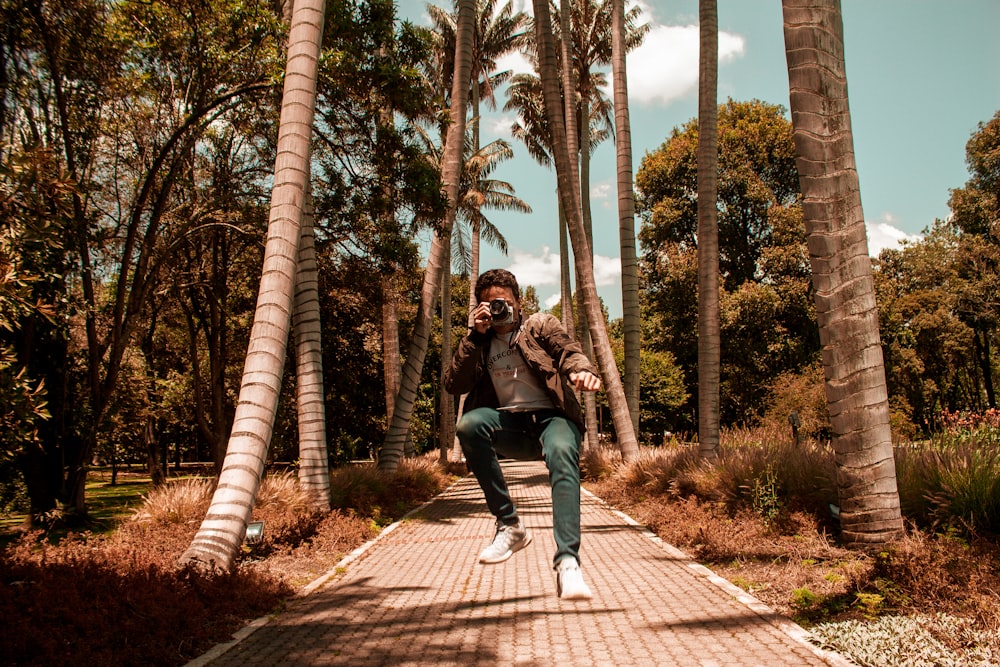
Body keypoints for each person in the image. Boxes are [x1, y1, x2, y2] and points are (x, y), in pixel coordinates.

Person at [443, 268, 601, 600]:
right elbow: (453, 384)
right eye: (490, 305)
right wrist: (474, 336)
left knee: (561, 454)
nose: (499, 310)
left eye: (504, 302)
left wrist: (582, 371)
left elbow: (566, 350)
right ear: (480, 308)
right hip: (509, 425)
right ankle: (510, 525)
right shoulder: (479, 343)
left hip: (552, 419)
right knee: (468, 425)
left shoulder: (540, 325)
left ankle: (568, 562)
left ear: (518, 301)